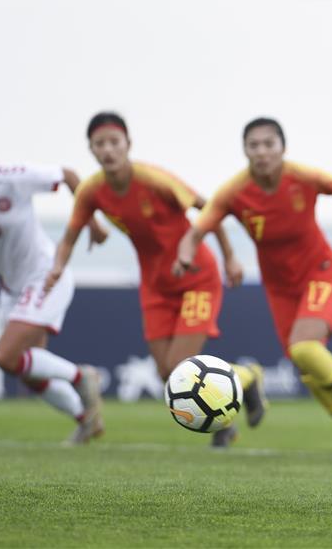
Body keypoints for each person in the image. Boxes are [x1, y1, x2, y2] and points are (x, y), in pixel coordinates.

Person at [44, 112, 265, 448]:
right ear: (91, 149)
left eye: (114, 142)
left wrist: (230, 256)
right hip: (155, 285)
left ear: (127, 145)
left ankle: (248, 377)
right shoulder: (92, 191)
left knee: (180, 367)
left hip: (196, 277)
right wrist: (58, 266)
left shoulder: (154, 180)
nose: (108, 150)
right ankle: (228, 416)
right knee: (166, 374)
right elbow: (70, 235)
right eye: (99, 144)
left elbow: (210, 209)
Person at [176, 117, 332, 458]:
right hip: (279, 289)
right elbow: (197, 231)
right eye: (253, 145)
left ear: (282, 148)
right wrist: (186, 254)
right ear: (245, 150)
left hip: (321, 273)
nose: (261, 152)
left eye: (268, 144)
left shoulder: (303, 177)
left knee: (305, 348)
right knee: (303, 363)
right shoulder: (234, 191)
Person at [0, 114, 105, 444]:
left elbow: (68, 176)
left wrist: (93, 224)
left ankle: (82, 376)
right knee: (26, 370)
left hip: (45, 275)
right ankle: (86, 420)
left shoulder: (12, 177)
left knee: (4, 357)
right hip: (11, 287)